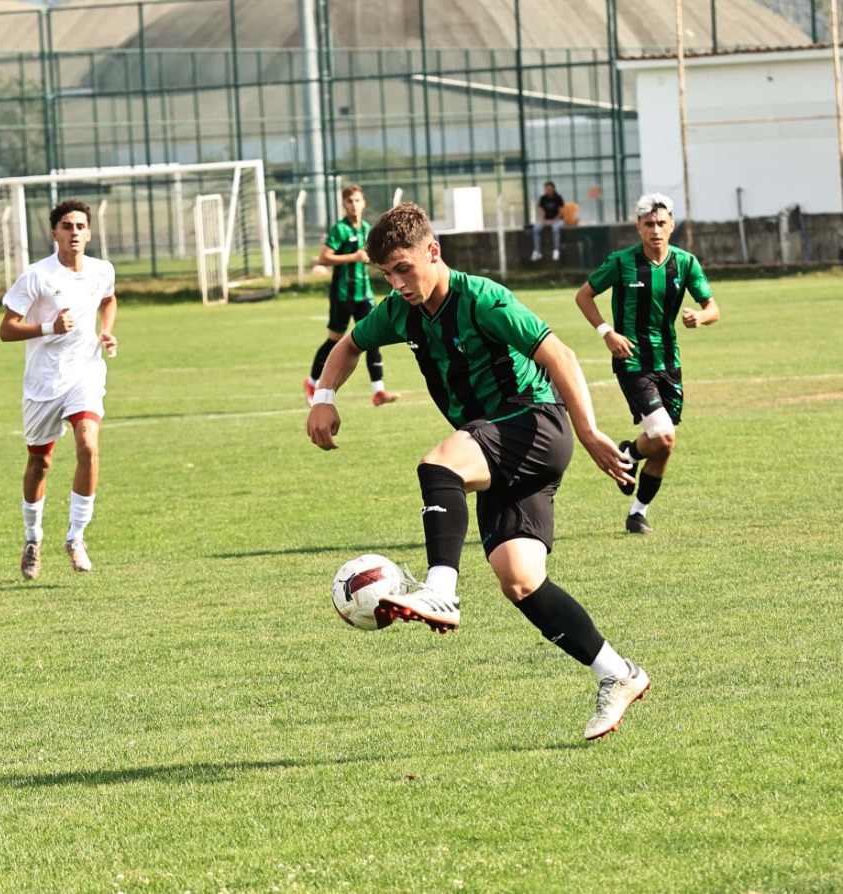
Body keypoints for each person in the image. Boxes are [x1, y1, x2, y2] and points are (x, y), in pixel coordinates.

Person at [306, 203, 649, 740]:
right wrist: (323, 397)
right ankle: (618, 673)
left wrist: (589, 432)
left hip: (535, 423)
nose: (397, 284)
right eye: (387, 274)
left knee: (438, 463)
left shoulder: (481, 298)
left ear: (433, 251)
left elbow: (558, 354)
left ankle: (441, 586)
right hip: (498, 447)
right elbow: (349, 344)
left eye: (404, 268)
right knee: (520, 580)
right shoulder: (400, 311)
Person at [573, 192, 719, 534]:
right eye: (649, 223)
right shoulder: (622, 262)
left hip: (670, 362)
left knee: (663, 446)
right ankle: (629, 459)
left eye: (661, 223)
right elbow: (584, 295)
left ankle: (636, 509)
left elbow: (714, 308)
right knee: (664, 436)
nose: (655, 229)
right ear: (638, 227)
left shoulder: (685, 263)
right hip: (632, 361)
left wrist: (701, 316)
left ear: (671, 226)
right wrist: (607, 332)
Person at [0, 199, 118, 580]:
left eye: (81, 226)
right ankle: (32, 539)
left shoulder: (102, 270)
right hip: (43, 382)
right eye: (67, 226)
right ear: (54, 234)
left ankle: (76, 536)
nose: (75, 233)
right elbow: (6, 329)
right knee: (40, 463)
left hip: (84, 374)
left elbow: (109, 299)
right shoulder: (36, 276)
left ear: (89, 232)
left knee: (89, 445)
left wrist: (106, 330)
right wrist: (49, 328)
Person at [303, 184, 399, 407]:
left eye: (357, 200)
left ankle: (378, 391)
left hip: (363, 293)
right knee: (334, 341)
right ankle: (311, 382)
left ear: (363, 203)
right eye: (349, 201)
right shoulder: (340, 230)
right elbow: (324, 258)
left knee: (373, 336)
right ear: (344, 204)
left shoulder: (366, 228)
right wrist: (353, 257)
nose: (354, 205)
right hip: (343, 295)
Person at [531, 181, 565, 261]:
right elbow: (542, 211)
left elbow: (561, 213)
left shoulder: (558, 198)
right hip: (547, 220)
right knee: (536, 229)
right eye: (547, 189)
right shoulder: (543, 198)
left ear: (553, 189)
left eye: (550, 188)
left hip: (558, 220)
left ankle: (556, 250)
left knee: (555, 229)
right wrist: (543, 220)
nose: (548, 190)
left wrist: (554, 221)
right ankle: (537, 251)